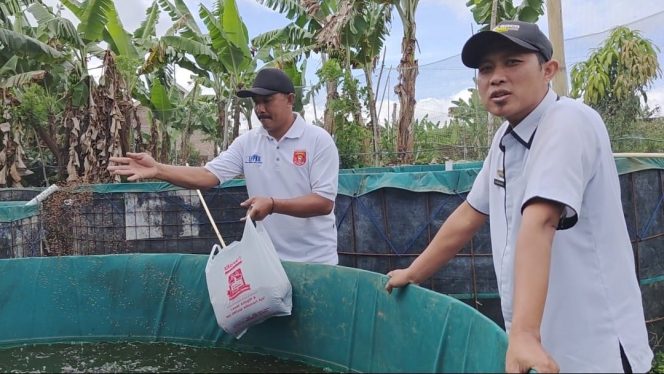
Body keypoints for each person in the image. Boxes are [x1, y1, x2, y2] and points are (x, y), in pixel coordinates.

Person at [384, 20, 653, 373]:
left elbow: (540, 220)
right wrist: (414, 272)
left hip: (594, 345)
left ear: (548, 70)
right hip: (539, 345)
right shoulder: (505, 140)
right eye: (486, 68)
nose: (496, 77)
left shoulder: (568, 121)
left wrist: (524, 334)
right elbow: (469, 214)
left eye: (513, 62)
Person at [108, 68, 340, 265]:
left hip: (317, 262)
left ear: (290, 100)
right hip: (269, 263)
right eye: (256, 102)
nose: (260, 109)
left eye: (267, 101)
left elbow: (323, 202)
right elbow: (208, 175)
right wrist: (158, 169)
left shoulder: (317, 140)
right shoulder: (248, 142)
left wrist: (272, 204)